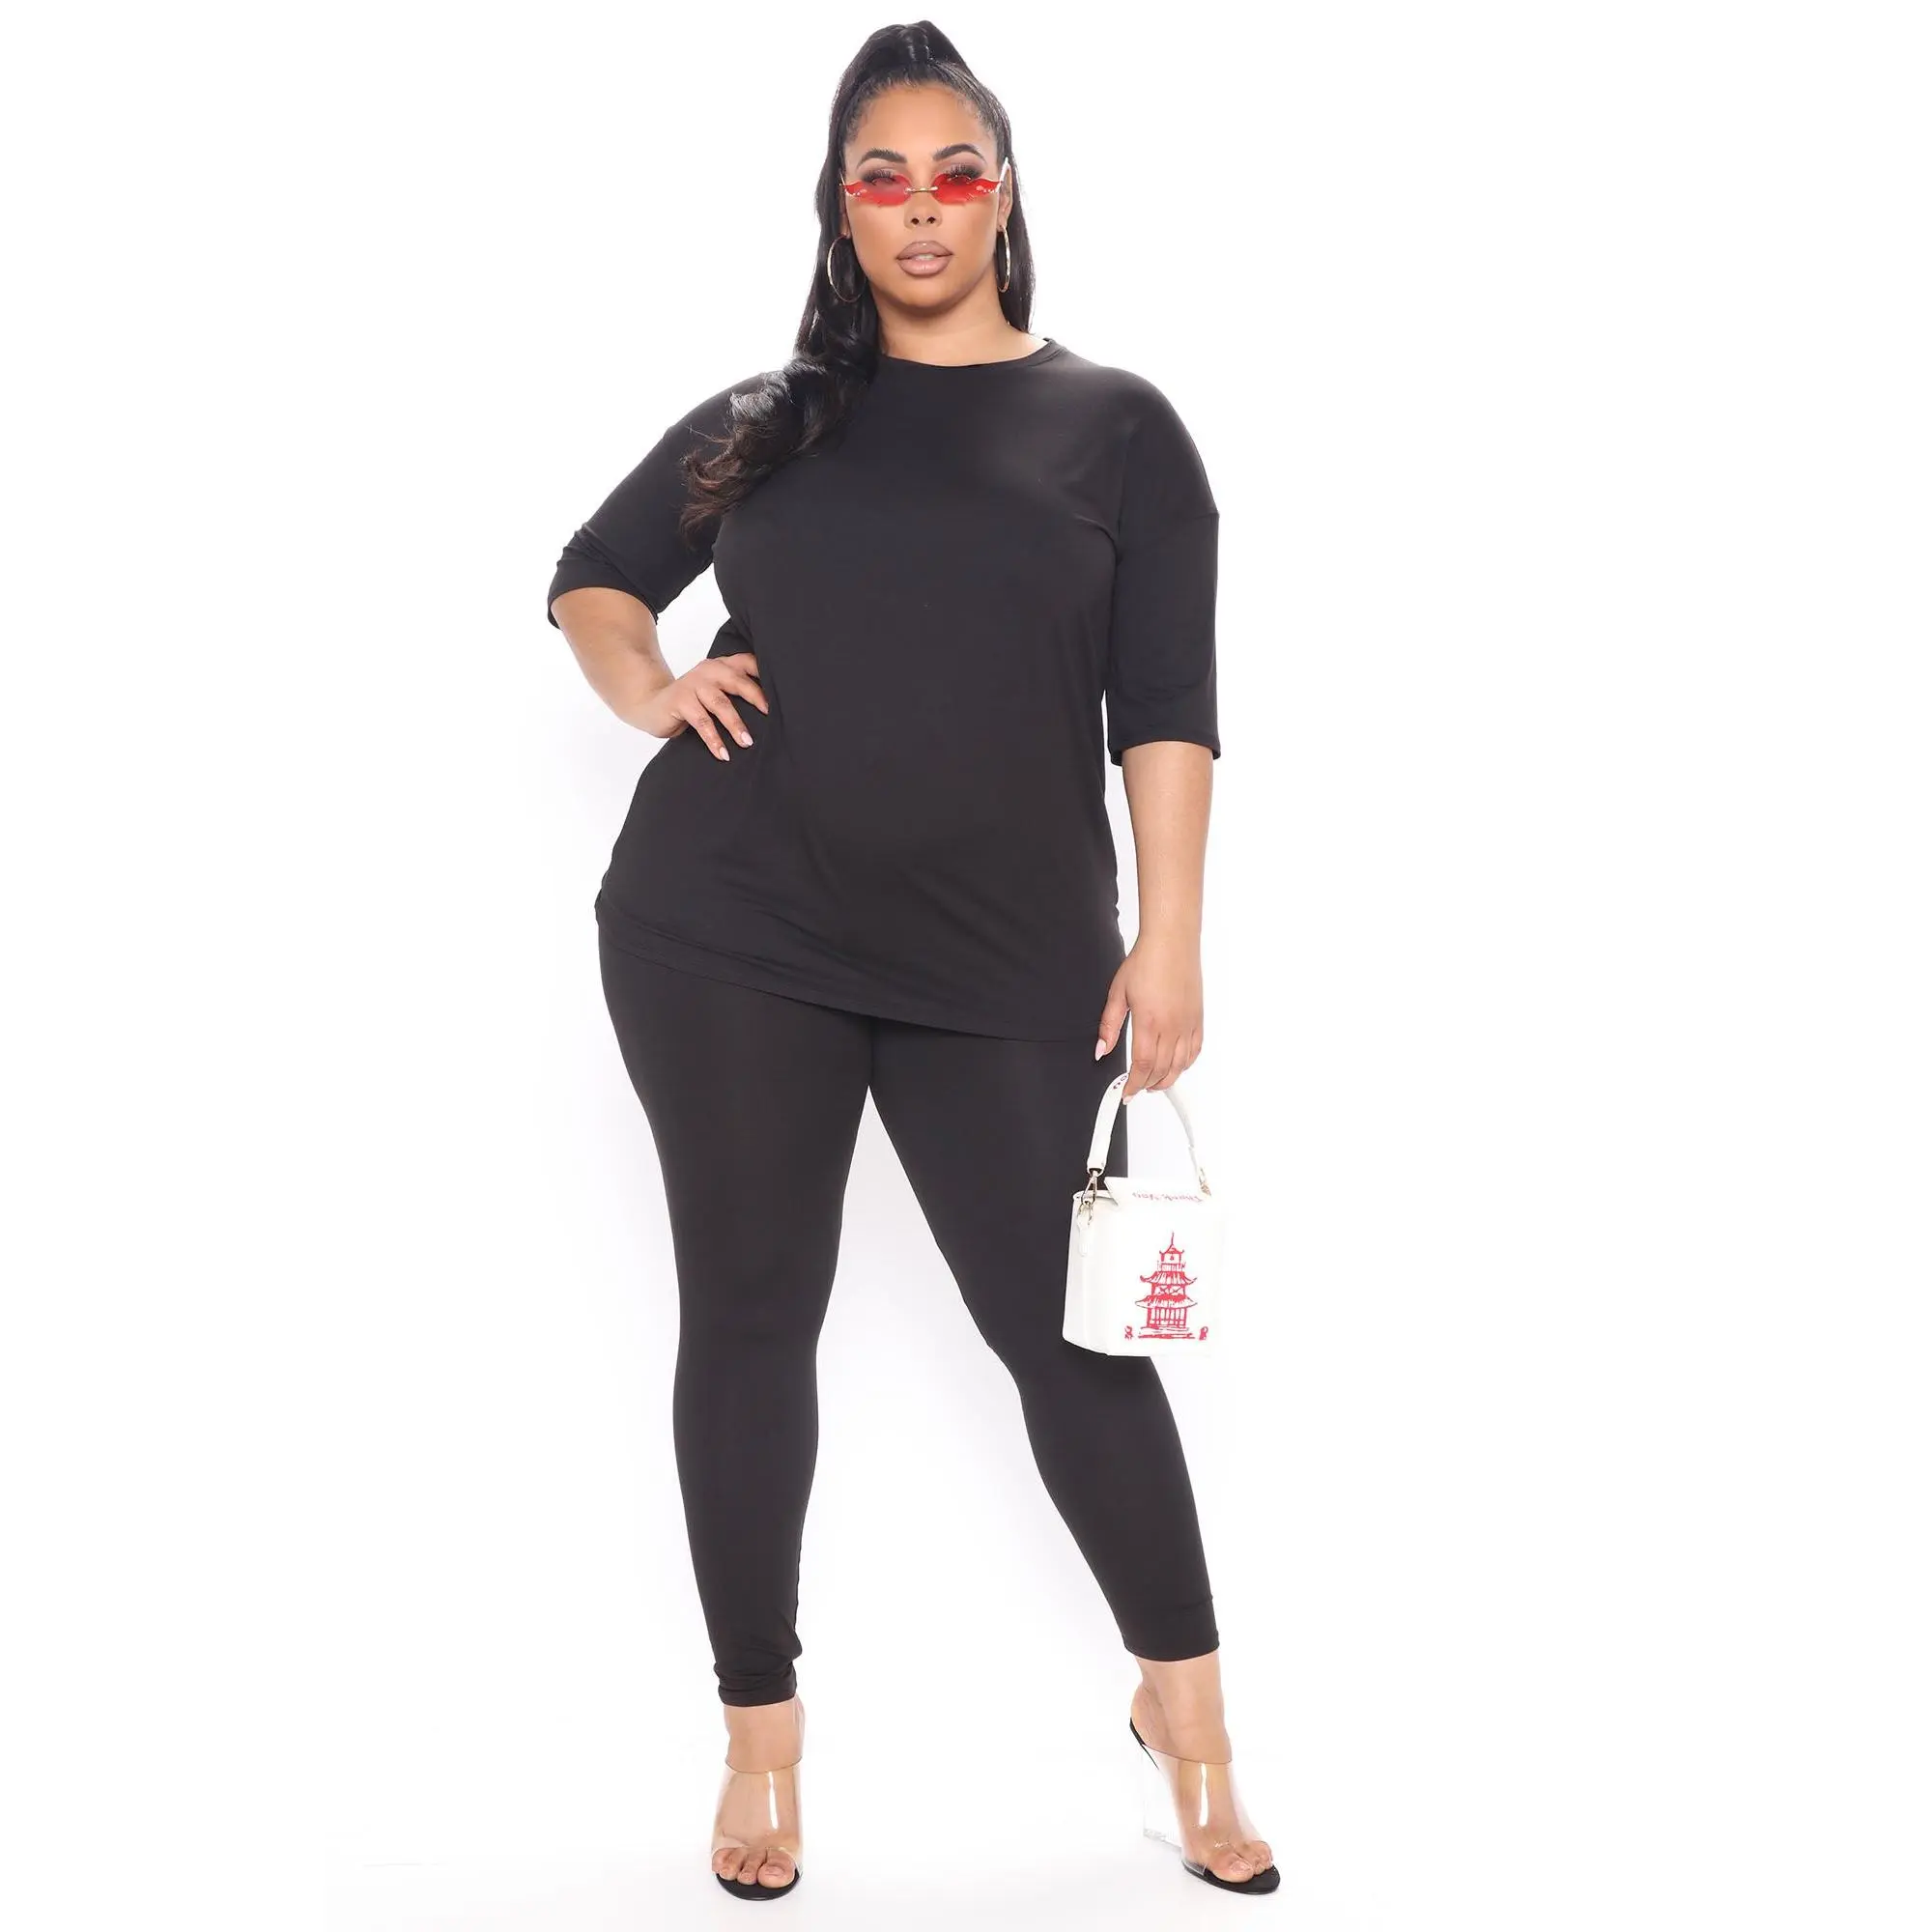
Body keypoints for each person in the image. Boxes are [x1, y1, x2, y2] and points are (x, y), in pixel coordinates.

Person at [543, 23, 1276, 1902]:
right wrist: (651, 685)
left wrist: (1172, 934)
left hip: (1012, 957)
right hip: (731, 932)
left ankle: (1190, 1725)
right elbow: (595, 576)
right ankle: (760, 1748)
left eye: (957, 172)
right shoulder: (771, 417)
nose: (923, 209)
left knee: (1071, 1343)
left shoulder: (1120, 428)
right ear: (842, 206)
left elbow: (1166, 707)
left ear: (1004, 192)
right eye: (884, 177)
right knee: (750, 1317)